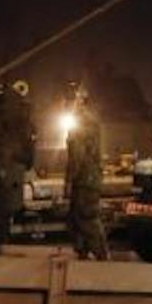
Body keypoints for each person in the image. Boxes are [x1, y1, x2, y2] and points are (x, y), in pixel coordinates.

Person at [65, 92, 110, 260]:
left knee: (85, 216)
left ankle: (100, 254)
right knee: (78, 217)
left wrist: (69, 181)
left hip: (84, 179)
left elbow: (77, 156)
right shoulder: (89, 121)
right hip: (88, 177)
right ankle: (85, 252)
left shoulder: (81, 123)